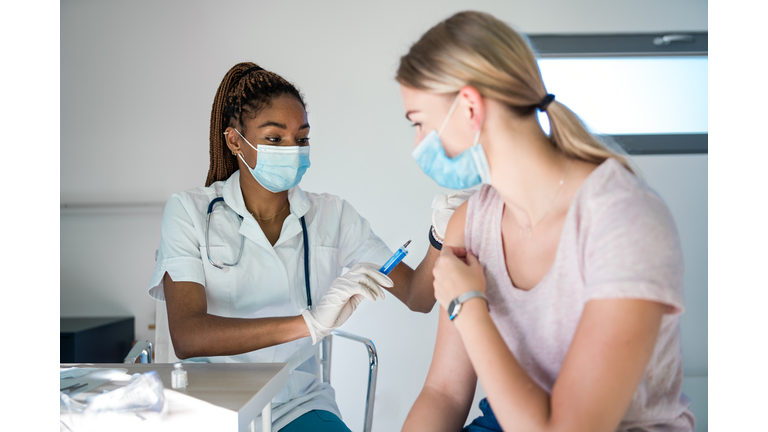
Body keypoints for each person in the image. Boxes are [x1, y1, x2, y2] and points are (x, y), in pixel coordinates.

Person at [397, 11, 695, 432]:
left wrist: (468, 305)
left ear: (468, 107)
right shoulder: (470, 223)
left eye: (420, 123)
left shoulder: (624, 220)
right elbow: (443, 393)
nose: (417, 144)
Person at [147, 62, 447, 431]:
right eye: (275, 138)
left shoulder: (332, 215)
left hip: (297, 404)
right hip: (213, 404)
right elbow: (188, 336)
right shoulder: (189, 211)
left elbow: (419, 297)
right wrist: (308, 324)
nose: (292, 149)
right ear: (234, 140)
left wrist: (441, 236)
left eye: (301, 139)